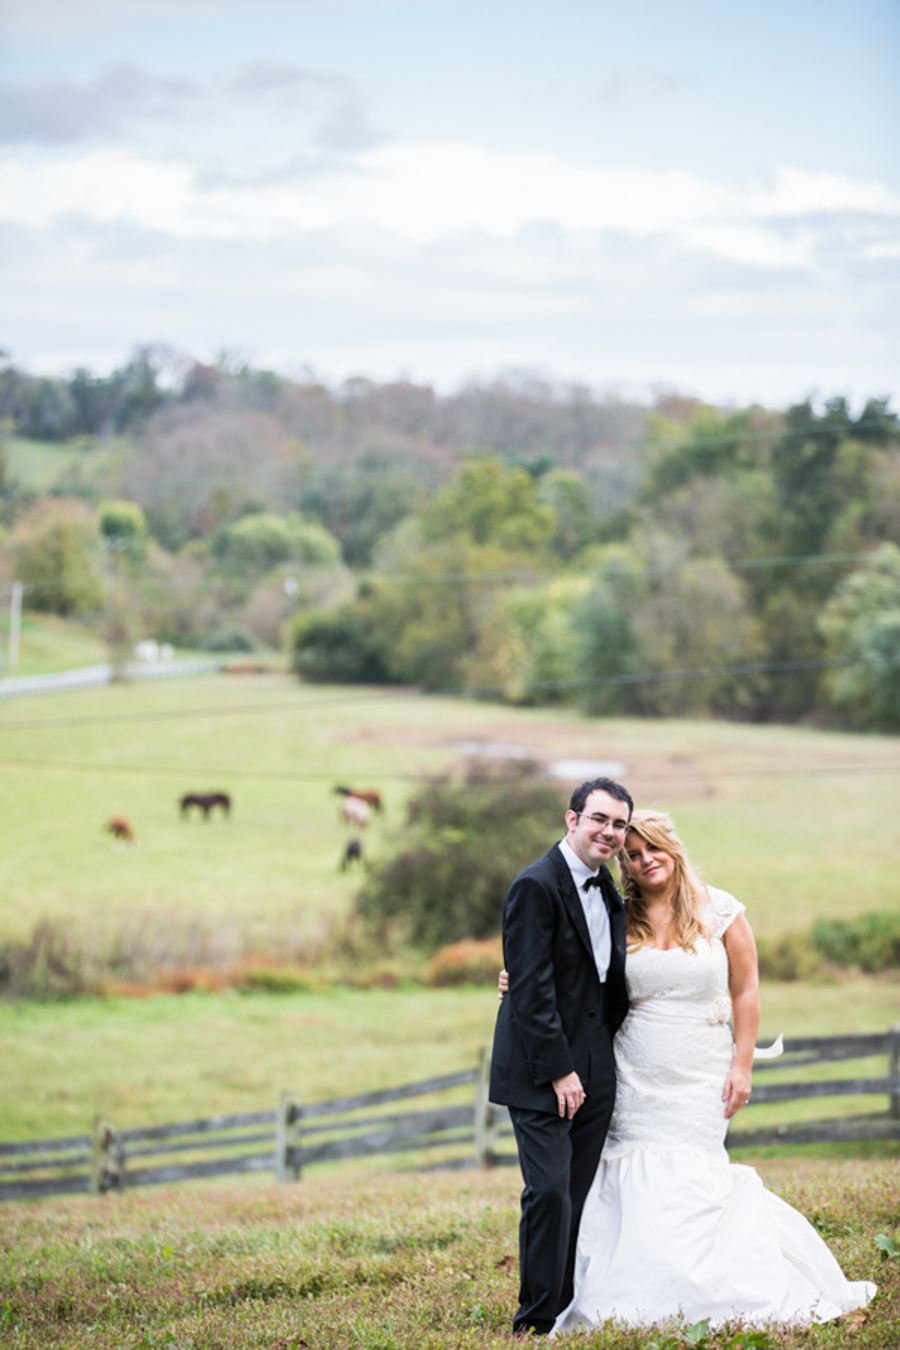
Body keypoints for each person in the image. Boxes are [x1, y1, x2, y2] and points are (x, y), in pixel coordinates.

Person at [503, 809, 876, 1334]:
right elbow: (573, 964)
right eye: (631, 855)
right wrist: (516, 973)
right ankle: (625, 1293)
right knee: (628, 1170)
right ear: (624, 866)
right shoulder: (616, 912)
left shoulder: (719, 909)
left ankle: (709, 1287)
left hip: (702, 1069)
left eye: (652, 848)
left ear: (673, 848)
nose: (643, 860)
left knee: (695, 1173)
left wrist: (742, 1064)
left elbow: (746, 990)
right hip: (631, 1070)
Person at [488, 776, 633, 1336]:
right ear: (572, 820)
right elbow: (531, 986)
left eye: (619, 823)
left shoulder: (610, 891)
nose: (610, 832)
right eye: (600, 819)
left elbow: (602, 982)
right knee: (548, 1191)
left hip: (597, 1067)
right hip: (541, 1071)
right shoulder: (535, 885)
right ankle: (533, 1320)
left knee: (575, 1192)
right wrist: (560, 1071)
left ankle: (564, 1308)